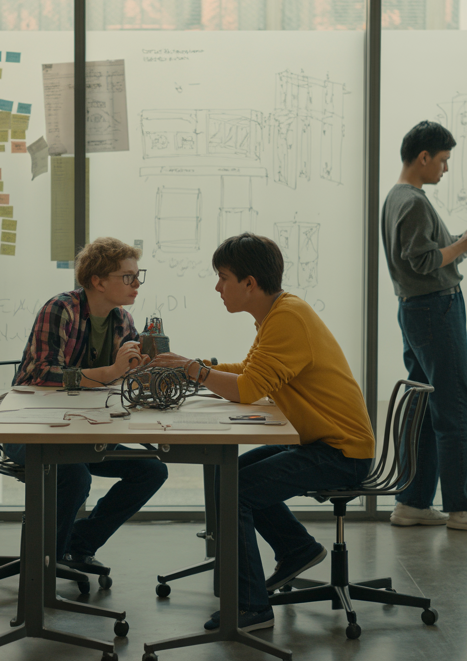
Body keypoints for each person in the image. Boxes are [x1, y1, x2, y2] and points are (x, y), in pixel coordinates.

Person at [153, 232, 376, 632]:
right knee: (230, 475)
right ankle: (297, 549)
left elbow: (247, 389)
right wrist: (194, 365)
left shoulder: (287, 317)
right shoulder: (278, 313)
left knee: (236, 489)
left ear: (249, 283)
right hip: (323, 442)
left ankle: (250, 607)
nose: (217, 287)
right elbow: (250, 373)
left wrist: (195, 371)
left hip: (342, 453)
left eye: (223, 277)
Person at [9, 237, 168, 573]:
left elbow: (123, 382)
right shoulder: (61, 309)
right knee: (74, 477)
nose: (136, 283)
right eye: (127, 276)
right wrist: (111, 371)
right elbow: (42, 374)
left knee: (151, 470)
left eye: (138, 275)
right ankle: (43, 569)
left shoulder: (122, 321)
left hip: (83, 429)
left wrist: (140, 372)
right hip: (28, 429)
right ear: (98, 281)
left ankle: (77, 546)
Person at [381, 120, 467, 532]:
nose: (445, 169)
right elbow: (423, 261)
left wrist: (459, 245)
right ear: (423, 157)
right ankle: (462, 506)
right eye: (443, 160)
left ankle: (413, 501)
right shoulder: (414, 201)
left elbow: (421, 256)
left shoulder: (396, 198)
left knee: (422, 406)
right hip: (436, 310)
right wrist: (463, 246)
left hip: (416, 311)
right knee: (455, 407)